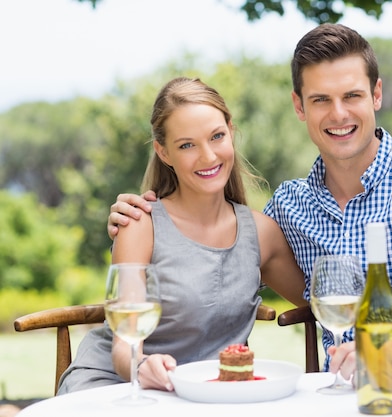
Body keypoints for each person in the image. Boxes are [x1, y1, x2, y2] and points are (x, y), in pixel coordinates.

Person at [107, 25, 392, 417]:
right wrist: (146, 219)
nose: (338, 114)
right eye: (321, 100)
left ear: (376, 95)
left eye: (352, 96)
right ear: (300, 107)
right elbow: (211, 246)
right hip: (340, 393)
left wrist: (386, 362)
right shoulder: (289, 208)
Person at [58, 77, 306, 395]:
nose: (208, 156)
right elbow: (124, 347)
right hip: (118, 386)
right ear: (163, 152)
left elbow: (320, 301)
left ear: (231, 131)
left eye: (216, 136)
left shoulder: (261, 233)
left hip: (202, 395)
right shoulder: (140, 224)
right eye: (187, 145)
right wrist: (141, 364)